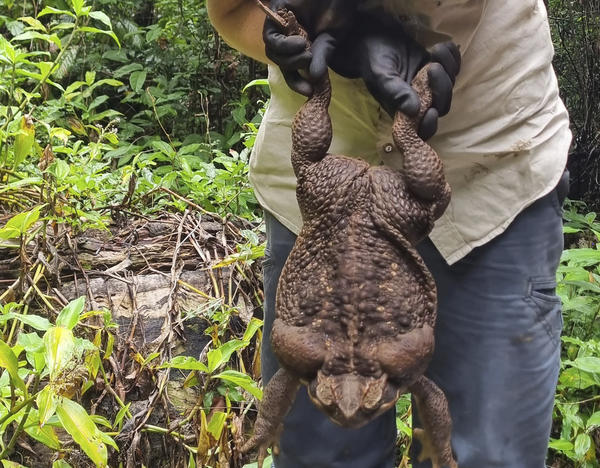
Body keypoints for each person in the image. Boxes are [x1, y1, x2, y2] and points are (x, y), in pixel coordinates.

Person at [206, 1, 571, 467]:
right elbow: (234, 7)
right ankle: (380, 116)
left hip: (487, 168)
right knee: (318, 459)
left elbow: (423, 381)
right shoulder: (336, 364)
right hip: (323, 201)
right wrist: (313, 31)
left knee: (486, 456)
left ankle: (398, 125)